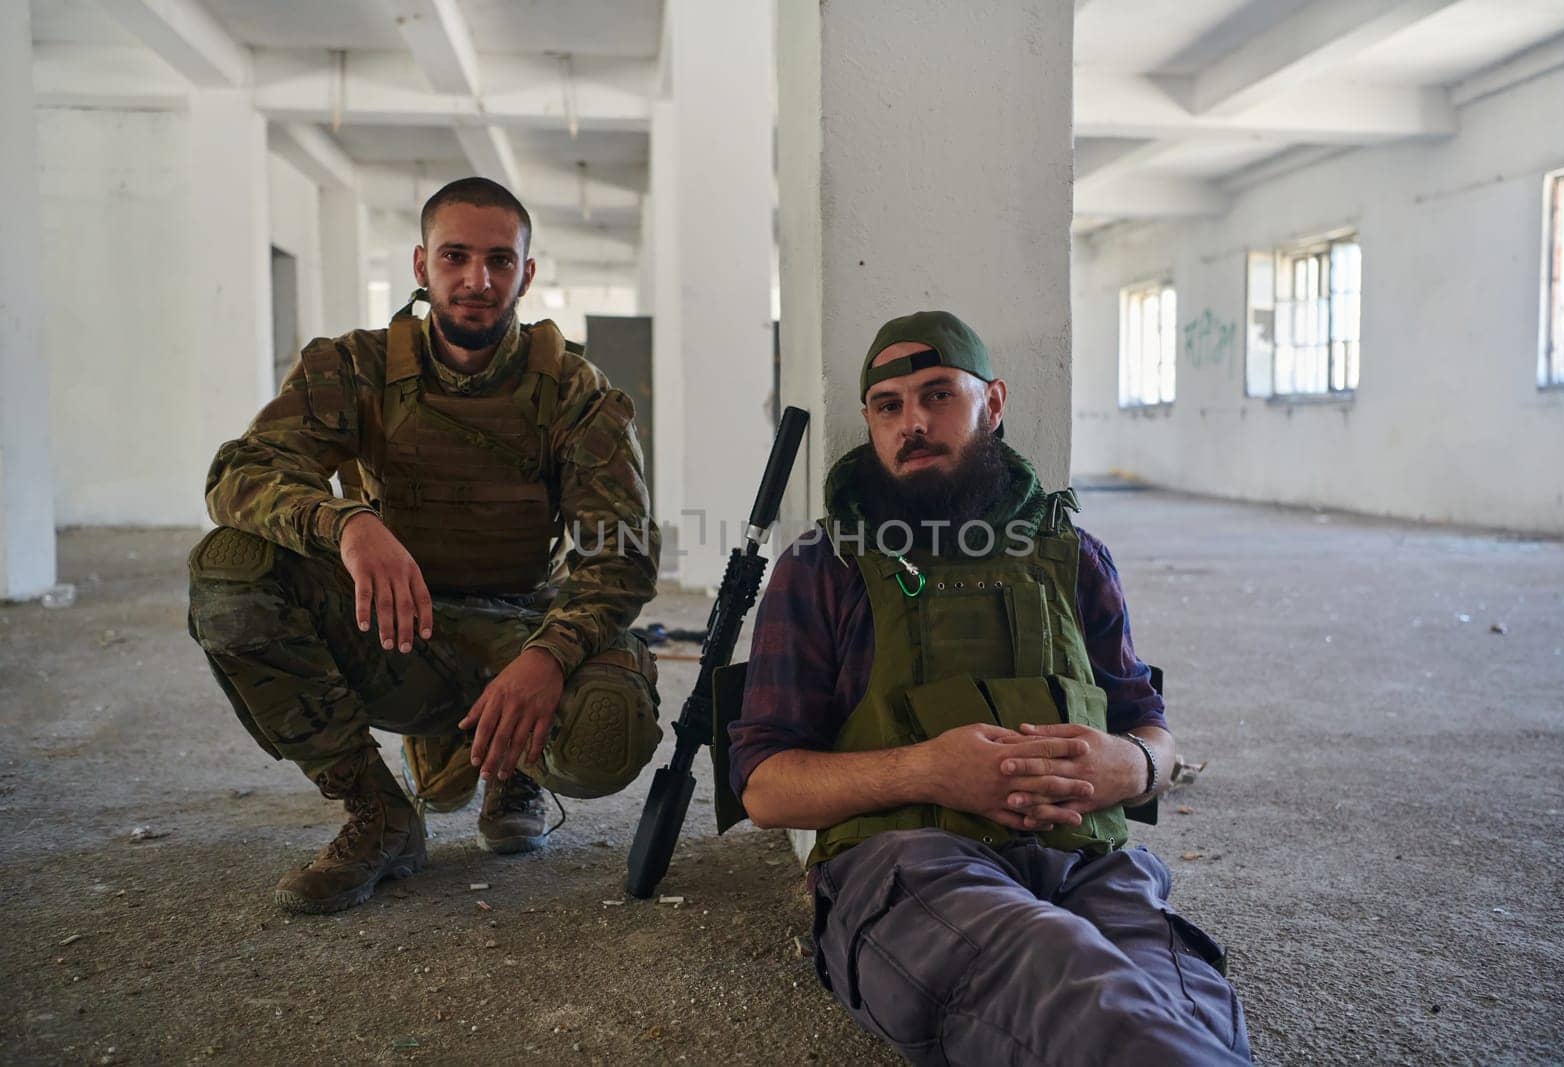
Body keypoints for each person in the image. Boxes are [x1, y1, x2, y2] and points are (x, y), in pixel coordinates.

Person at [727, 311, 1250, 1065]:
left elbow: (1151, 728)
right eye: (890, 406)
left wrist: (1130, 766)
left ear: (993, 403)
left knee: (1191, 1008)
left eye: (938, 395)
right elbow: (766, 787)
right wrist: (928, 770)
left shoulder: (1074, 556)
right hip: (912, 864)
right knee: (1066, 980)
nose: (913, 423)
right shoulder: (823, 564)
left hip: (1091, 862)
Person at [188, 177, 661, 914]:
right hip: (397, 628)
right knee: (229, 569)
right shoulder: (353, 368)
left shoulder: (576, 392)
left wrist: (552, 653)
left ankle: (511, 765)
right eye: (456, 256)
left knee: (608, 730)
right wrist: (346, 523)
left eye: (501, 260)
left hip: (518, 634)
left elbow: (622, 555)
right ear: (420, 265)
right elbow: (238, 474)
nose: (478, 279)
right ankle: (378, 811)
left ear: (527, 274)